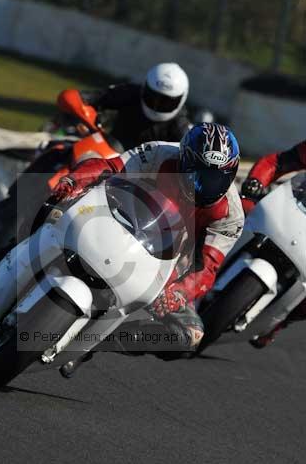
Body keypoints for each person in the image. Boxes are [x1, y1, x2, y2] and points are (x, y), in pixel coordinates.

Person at [53, 123, 243, 350]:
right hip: (117, 224)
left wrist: (179, 293)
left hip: (165, 270)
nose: (203, 187)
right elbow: (110, 167)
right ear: (183, 160)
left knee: (191, 335)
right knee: (52, 216)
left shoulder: (231, 215)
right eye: (196, 175)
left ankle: (104, 342)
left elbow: (208, 266)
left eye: (215, 179)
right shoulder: (158, 153)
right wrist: (74, 181)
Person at [241, 139, 306, 347]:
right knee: (233, 209)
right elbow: (277, 163)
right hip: (293, 209)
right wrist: (257, 182)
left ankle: (278, 323)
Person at [79, 62, 191, 150]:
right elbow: (88, 98)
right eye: (152, 97)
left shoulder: (181, 129)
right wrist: (87, 121)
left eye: (166, 102)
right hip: (105, 155)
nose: (156, 104)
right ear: (144, 88)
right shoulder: (130, 93)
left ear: (181, 100)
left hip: (142, 177)